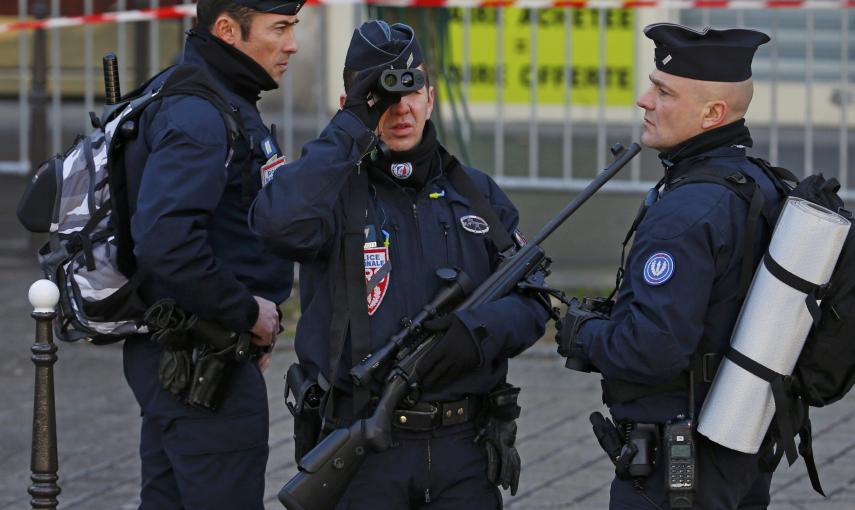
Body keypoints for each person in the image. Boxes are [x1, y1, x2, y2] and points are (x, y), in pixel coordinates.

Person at [250, 20, 549, 509]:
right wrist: (350, 126)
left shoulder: (474, 192)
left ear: (430, 96)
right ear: (354, 101)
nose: (401, 108)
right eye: (381, 95)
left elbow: (533, 300)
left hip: (463, 449)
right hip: (366, 446)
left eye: (412, 89)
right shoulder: (332, 194)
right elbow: (273, 223)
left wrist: (478, 332)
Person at [556, 23, 783, 509]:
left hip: (680, 460)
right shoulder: (759, 184)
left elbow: (652, 349)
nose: (644, 100)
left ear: (713, 113)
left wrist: (583, 335)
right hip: (739, 447)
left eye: (663, 91)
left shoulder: (685, 212)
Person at [121, 1, 303, 508]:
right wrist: (246, 312)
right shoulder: (199, 112)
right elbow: (166, 241)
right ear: (227, 30)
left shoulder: (216, 96)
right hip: (200, 363)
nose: (292, 44)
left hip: (193, 356)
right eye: (280, 28)